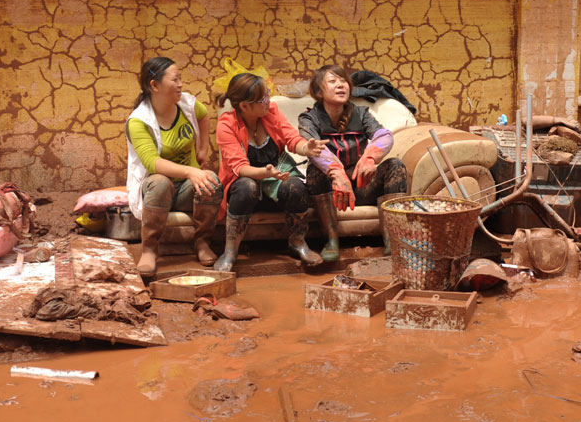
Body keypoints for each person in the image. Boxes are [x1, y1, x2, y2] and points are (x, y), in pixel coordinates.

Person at [214, 73, 327, 272]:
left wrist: (306, 148)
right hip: (247, 188)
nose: (268, 100)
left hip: (276, 180)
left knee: (296, 186)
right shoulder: (226, 124)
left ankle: (298, 242)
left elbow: (291, 138)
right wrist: (265, 173)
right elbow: (239, 168)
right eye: (262, 98)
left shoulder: (271, 111)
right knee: (246, 186)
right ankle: (230, 251)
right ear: (245, 106)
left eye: (267, 94)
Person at [126, 57, 222, 279]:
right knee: (160, 182)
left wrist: (203, 149)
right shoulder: (138, 120)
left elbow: (204, 115)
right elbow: (152, 163)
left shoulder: (187, 104)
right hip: (156, 190)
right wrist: (190, 171)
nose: (180, 84)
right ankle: (149, 249)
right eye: (175, 79)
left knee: (211, 181)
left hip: (186, 188)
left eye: (181, 79)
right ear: (154, 85)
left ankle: (202, 242)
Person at [299, 65, 408, 261]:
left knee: (395, 166)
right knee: (314, 171)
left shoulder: (361, 113)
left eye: (344, 82)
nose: (341, 86)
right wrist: (337, 173)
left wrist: (369, 157)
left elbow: (384, 136)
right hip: (333, 192)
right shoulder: (309, 118)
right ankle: (332, 239)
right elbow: (314, 150)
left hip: (361, 185)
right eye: (333, 82)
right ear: (318, 92)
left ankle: (393, 239)